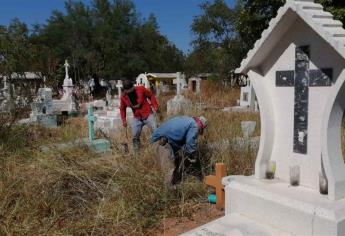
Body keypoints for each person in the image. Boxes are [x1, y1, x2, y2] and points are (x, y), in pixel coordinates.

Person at [151, 116, 208, 185]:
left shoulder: (186, 120)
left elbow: (180, 141)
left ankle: (170, 186)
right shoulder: (194, 125)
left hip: (157, 142)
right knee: (169, 170)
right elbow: (190, 143)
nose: (198, 133)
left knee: (162, 170)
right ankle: (170, 193)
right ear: (201, 126)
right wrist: (194, 157)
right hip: (163, 144)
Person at [120, 79, 159, 151]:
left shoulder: (141, 89)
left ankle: (157, 149)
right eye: (128, 92)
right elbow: (122, 108)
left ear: (133, 87)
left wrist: (155, 105)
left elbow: (150, 95)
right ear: (125, 90)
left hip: (147, 114)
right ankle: (137, 153)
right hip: (137, 117)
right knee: (135, 136)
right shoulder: (123, 97)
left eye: (131, 91)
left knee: (156, 131)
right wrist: (124, 120)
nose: (130, 93)